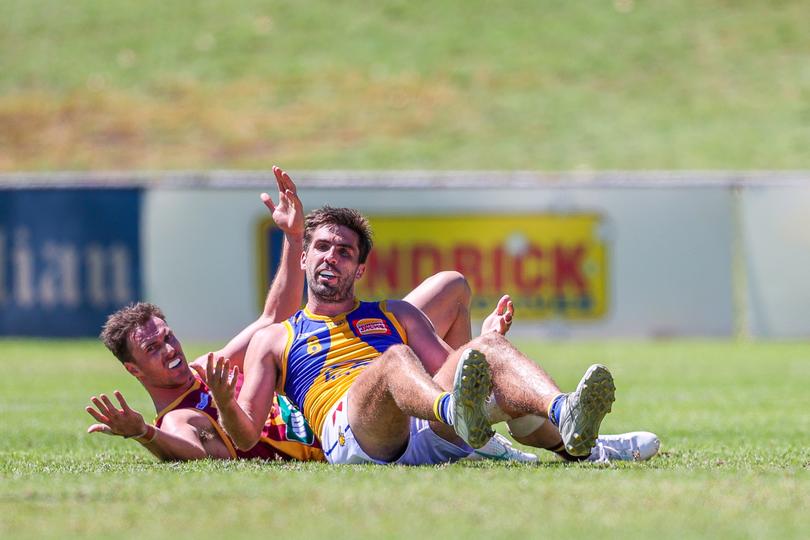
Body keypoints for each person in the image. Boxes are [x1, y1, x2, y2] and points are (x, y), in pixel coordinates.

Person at [209, 203, 623, 465]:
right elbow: (244, 437)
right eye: (321, 248)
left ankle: (564, 411)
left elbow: (451, 366)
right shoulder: (275, 338)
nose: (331, 257)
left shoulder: (396, 313)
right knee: (394, 359)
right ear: (303, 257)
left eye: (344, 252)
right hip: (355, 434)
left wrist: (486, 345)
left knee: (487, 347)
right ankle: (461, 418)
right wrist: (226, 403)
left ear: (360, 270)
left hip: (425, 417)